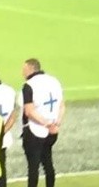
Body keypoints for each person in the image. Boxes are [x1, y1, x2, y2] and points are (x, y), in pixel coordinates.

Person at [21, 58, 64, 187]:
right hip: (52, 131)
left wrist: (45, 123)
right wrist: (56, 123)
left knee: (33, 168)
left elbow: (29, 111)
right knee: (48, 164)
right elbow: (61, 105)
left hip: (35, 130)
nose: (22, 72)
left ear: (30, 69)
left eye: (24, 69)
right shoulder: (54, 81)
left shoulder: (29, 86)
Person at [0, 73, 16, 187]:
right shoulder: (9, 90)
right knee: (1, 168)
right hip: (3, 139)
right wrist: (1, 132)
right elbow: (13, 115)